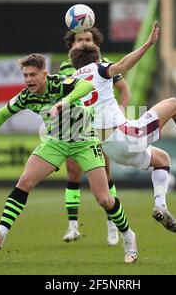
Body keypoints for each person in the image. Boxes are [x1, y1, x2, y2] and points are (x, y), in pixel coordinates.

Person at [50, 21, 176, 232]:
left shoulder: (71, 82)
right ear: (97, 57)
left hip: (110, 149)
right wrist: (147, 45)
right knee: (174, 104)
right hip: (126, 136)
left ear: (74, 63)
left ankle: (160, 206)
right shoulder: (99, 69)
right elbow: (125, 65)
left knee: (162, 160)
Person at [0, 53, 138, 263]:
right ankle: (0, 234)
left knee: (104, 198)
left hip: (85, 141)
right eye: (25, 75)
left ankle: (129, 237)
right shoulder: (26, 96)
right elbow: (3, 113)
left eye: (33, 75)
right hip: (55, 142)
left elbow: (87, 87)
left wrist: (64, 102)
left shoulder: (60, 84)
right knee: (24, 182)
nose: (28, 79)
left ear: (45, 74)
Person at [59, 27, 132, 245]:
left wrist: (120, 109)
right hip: (75, 127)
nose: (83, 42)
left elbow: (125, 90)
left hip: (101, 126)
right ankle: (72, 227)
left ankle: (112, 224)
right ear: (72, 43)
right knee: (72, 173)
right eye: (79, 39)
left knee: (105, 174)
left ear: (95, 43)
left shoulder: (105, 64)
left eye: (87, 39)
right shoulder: (66, 66)